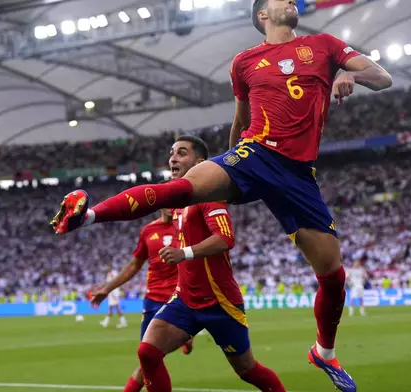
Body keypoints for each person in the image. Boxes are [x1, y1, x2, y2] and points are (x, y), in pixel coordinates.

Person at [50, 1, 391, 390]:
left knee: (333, 275)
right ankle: (88, 215)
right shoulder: (244, 62)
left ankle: (324, 353)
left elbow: (383, 78)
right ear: (262, 15)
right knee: (182, 189)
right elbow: (241, 120)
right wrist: (229, 164)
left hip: (297, 175)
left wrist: (346, 76)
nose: (291, 1)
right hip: (256, 152)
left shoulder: (325, 46)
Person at [141, 136, 285, 391]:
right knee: (148, 352)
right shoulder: (177, 204)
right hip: (185, 299)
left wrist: (183, 253)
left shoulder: (209, 197)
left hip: (219, 302)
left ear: (200, 163)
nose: (173, 158)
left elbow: (225, 238)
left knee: (247, 370)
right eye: (172, 152)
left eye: (181, 153)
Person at [89, 207, 193, 392]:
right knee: (147, 360)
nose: (171, 207)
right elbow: (134, 265)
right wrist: (107, 289)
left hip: (179, 299)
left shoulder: (188, 226)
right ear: (161, 205)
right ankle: (182, 338)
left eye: (175, 202)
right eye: (168, 203)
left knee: (152, 357)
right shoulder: (148, 231)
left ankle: (182, 336)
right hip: (154, 300)